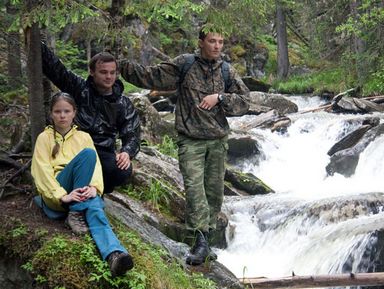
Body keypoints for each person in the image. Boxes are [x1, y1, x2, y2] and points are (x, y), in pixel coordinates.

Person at [119, 28, 250, 265]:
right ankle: (200, 241)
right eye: (212, 41)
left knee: (214, 194)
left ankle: (205, 241)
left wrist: (219, 97)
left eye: (221, 41)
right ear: (201, 42)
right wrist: (119, 64)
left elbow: (244, 102)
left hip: (218, 141)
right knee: (194, 189)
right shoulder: (185, 64)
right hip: (190, 140)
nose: (217, 46)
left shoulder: (226, 71)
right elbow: (150, 76)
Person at [31, 92, 134, 277]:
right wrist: (62, 195)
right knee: (87, 155)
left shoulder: (83, 137)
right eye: (57, 111)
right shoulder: (44, 138)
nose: (62, 115)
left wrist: (93, 187)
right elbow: (41, 171)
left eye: (66, 111)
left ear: (74, 113)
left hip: (79, 192)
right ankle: (77, 209)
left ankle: (114, 255)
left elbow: (94, 168)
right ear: (51, 114)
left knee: (93, 203)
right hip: (59, 193)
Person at [40, 43, 141, 195]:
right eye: (103, 72)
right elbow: (57, 71)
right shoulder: (80, 89)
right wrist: (39, 46)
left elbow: (132, 132)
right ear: (92, 72)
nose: (108, 77)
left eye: (112, 73)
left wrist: (127, 152)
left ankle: (97, 191)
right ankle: (72, 192)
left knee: (122, 170)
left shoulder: (123, 103)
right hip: (75, 147)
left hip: (103, 151)